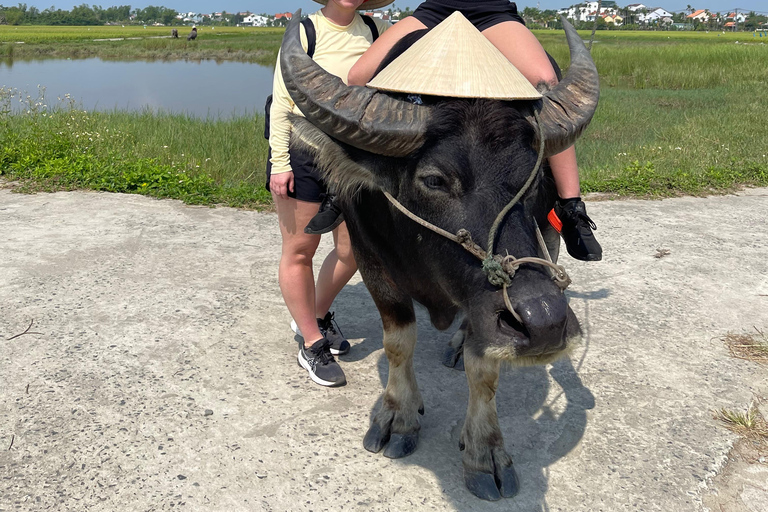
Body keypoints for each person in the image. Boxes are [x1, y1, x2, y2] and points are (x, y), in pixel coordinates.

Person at [308, 0, 602, 261]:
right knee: (358, 76)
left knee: (547, 83)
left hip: (490, 10)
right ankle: (338, 189)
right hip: (437, 8)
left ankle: (570, 205)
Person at [267, 0, 391, 387]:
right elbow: (282, 100)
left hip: (353, 156)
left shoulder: (371, 30)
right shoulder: (306, 31)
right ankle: (311, 342)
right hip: (303, 150)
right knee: (300, 250)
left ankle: (316, 315)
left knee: (352, 250)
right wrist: (280, 161)